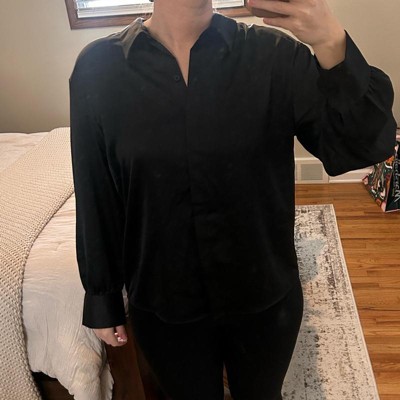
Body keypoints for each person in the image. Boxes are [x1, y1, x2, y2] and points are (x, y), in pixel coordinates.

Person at [69, 0, 397, 399]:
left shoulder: (274, 56)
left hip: (264, 298)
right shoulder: (98, 70)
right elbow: (95, 188)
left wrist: (331, 41)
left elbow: (363, 145)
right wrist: (101, 294)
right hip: (163, 302)